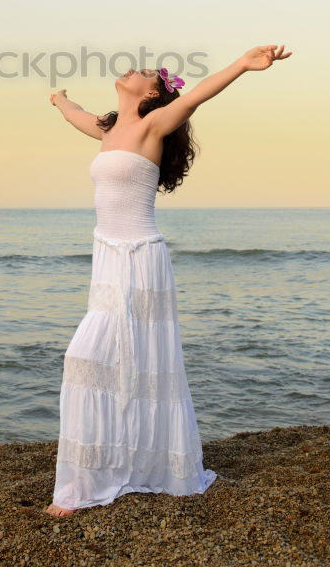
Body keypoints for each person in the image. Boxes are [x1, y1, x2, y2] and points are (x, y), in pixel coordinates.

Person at [44, 44, 293, 516]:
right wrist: (58, 99)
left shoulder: (154, 124)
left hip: (140, 259)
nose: (133, 68)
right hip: (108, 257)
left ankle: (89, 484)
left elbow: (197, 95)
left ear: (152, 92)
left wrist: (242, 64)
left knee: (92, 357)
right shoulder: (109, 129)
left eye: (144, 72)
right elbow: (74, 114)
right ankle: (115, 468)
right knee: (112, 359)